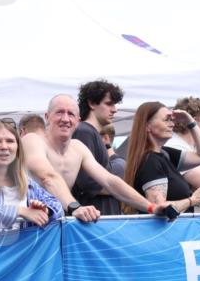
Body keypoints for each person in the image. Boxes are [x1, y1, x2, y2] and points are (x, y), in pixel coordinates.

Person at [21, 94, 176, 222]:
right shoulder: (33, 140)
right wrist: (75, 207)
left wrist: (151, 207)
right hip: (28, 227)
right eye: (59, 112)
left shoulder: (78, 147)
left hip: (56, 225)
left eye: (71, 114)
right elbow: (47, 176)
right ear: (47, 117)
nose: (65, 119)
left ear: (78, 121)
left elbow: (109, 181)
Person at [122, 101, 200, 215]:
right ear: (147, 126)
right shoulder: (150, 161)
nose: (172, 124)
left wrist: (190, 122)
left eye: (172, 120)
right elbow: (160, 209)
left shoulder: (165, 154)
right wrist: (192, 200)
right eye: (166, 120)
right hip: (167, 231)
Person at [73, 79, 124, 214]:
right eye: (109, 104)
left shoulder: (90, 132)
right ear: (91, 103)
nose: (114, 109)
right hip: (94, 219)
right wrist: (122, 189)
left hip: (99, 218)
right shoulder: (84, 131)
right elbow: (88, 183)